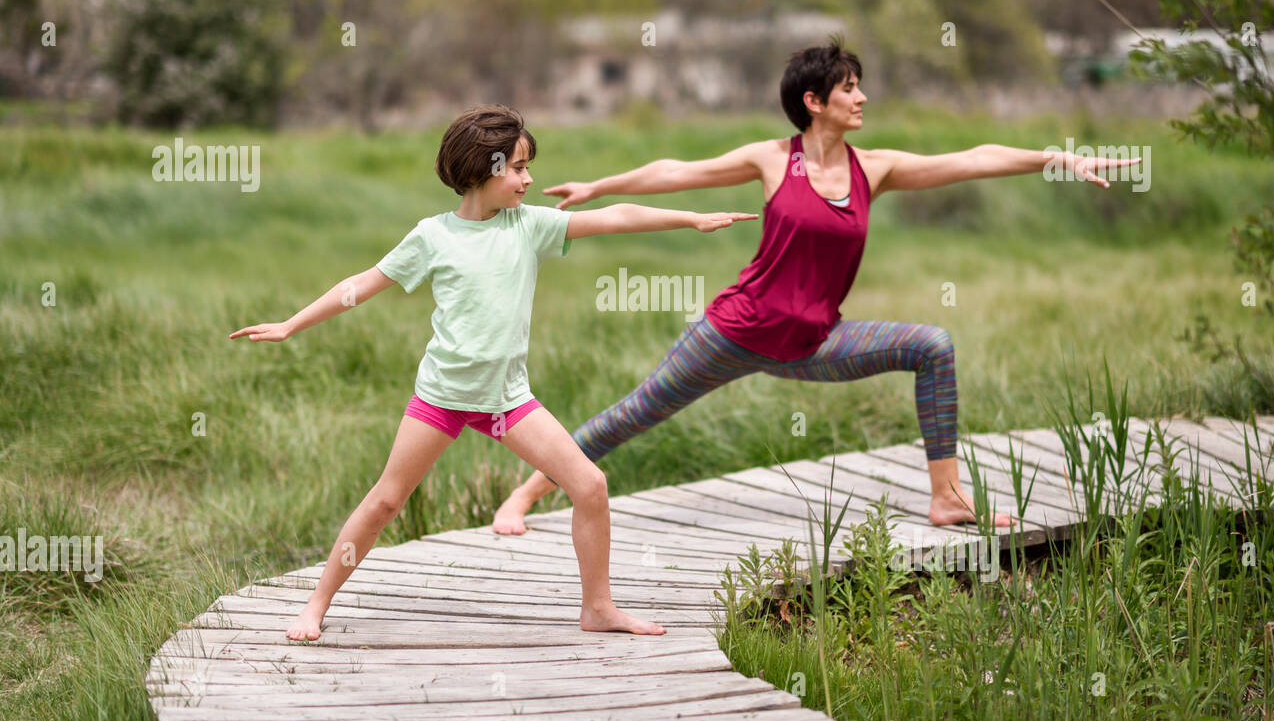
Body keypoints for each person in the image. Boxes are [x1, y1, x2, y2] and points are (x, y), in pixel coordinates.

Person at [492, 37, 1136, 535]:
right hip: (734, 332)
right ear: (814, 100)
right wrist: (600, 187)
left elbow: (972, 158)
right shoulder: (774, 159)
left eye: (860, 87)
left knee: (933, 345)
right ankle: (524, 495)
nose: (861, 98)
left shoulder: (875, 170)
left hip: (813, 344)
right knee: (634, 413)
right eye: (849, 88)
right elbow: (679, 169)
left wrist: (1060, 158)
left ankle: (947, 498)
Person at [230, 104, 757, 640]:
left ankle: (598, 609)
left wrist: (689, 218)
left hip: (507, 402)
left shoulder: (529, 227)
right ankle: (316, 604)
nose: (529, 179)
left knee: (591, 485)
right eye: (519, 168)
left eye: (530, 167)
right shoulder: (433, 236)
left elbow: (614, 217)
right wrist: (291, 325)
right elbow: (361, 285)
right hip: (442, 397)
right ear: (485, 168)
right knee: (387, 499)